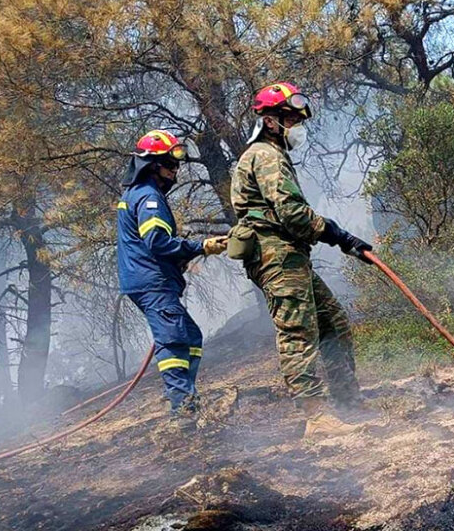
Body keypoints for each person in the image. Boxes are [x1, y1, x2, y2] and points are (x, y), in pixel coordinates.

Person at [230, 82, 373, 438]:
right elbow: (292, 213)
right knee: (298, 332)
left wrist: (338, 235)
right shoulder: (264, 155)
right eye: (292, 119)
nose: (298, 126)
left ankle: (348, 403)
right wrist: (337, 234)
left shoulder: (272, 155)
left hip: (291, 255)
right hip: (276, 256)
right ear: (272, 121)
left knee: (332, 320)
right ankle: (316, 417)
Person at [117, 130, 227, 426]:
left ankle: (186, 398)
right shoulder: (149, 197)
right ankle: (183, 412)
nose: (176, 171)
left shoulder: (134, 195)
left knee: (190, 337)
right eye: (171, 164)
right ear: (153, 165)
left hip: (148, 281)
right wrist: (200, 246)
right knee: (175, 341)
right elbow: (156, 241)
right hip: (152, 283)